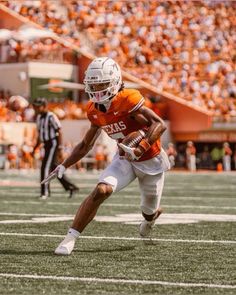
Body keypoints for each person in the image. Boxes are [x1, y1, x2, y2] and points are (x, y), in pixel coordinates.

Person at [45, 57, 170, 255]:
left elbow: (159, 124)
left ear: (114, 82)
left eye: (101, 84)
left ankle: (151, 217)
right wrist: (64, 165)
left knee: (148, 210)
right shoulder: (94, 110)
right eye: (93, 84)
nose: (96, 89)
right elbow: (86, 144)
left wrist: (141, 146)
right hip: (124, 159)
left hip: (150, 160)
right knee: (101, 190)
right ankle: (69, 238)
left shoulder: (128, 99)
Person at [32, 97, 79, 199]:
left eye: (38, 107)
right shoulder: (39, 118)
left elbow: (59, 131)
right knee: (54, 168)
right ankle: (71, 187)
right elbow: (40, 135)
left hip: (53, 143)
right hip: (46, 144)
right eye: (35, 107)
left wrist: (60, 148)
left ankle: (45, 192)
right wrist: (35, 148)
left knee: (45, 168)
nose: (36, 109)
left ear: (44, 106)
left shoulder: (51, 116)